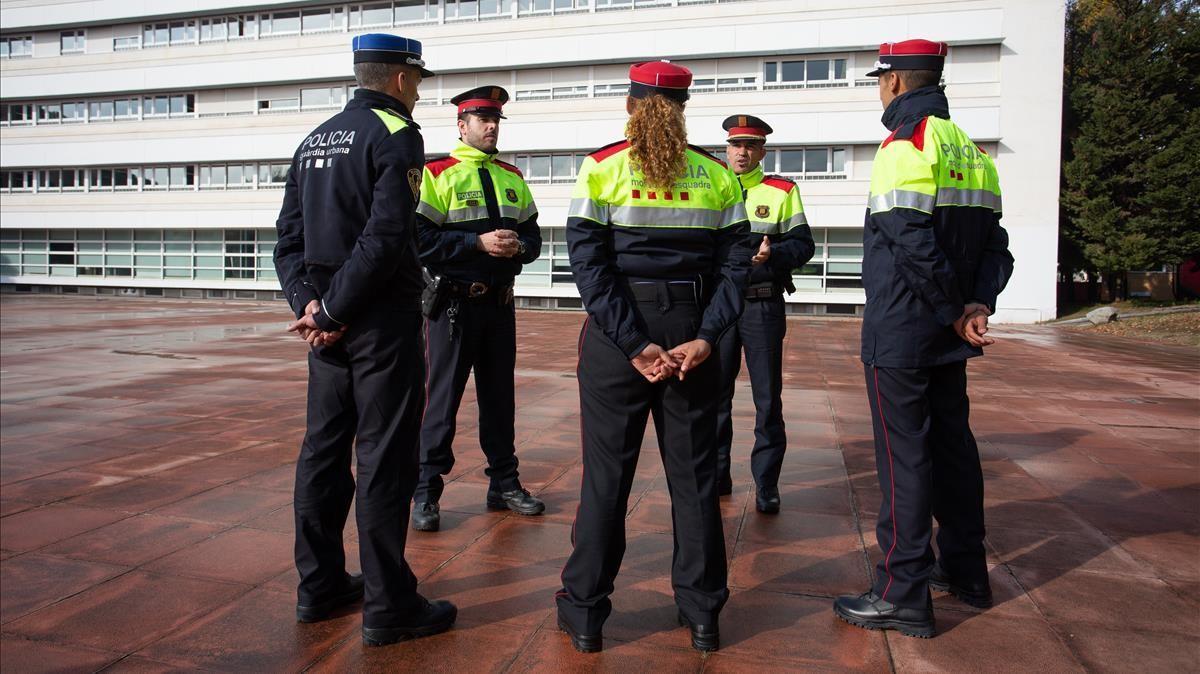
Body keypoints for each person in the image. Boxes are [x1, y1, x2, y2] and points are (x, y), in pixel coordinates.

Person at [555, 61, 755, 654]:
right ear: (683, 110)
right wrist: (707, 336)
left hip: (619, 337)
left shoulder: (602, 167)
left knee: (606, 478)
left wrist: (633, 344)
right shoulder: (717, 175)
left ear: (630, 106)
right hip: (692, 331)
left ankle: (586, 613)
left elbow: (589, 268)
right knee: (694, 481)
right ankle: (702, 614)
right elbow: (735, 268)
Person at [274, 33, 456, 646]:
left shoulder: (313, 139)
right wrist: (334, 310)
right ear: (402, 78)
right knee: (384, 458)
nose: (418, 92)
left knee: (323, 453)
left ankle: (319, 586)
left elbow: (287, 241)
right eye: (418, 81)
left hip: (325, 329)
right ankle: (388, 605)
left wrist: (311, 305)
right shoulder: (397, 133)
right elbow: (385, 237)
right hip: (377, 324)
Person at [831, 39, 1013, 638]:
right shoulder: (973, 153)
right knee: (953, 451)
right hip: (948, 332)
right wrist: (976, 304)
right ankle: (965, 571)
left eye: (880, 80)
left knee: (903, 459)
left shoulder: (904, 145)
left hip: (904, 332)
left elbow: (909, 241)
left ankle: (901, 592)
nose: (879, 90)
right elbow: (996, 246)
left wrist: (951, 311)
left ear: (895, 82)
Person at [410, 85, 544, 532]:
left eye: (495, 120)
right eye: (483, 120)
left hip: (499, 308)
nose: (491, 127)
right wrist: (476, 243)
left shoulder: (512, 176)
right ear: (461, 125)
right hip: (453, 307)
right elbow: (420, 240)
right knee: (441, 401)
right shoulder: (437, 174)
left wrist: (519, 247)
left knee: (500, 400)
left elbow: (534, 238)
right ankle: (425, 491)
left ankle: (503, 483)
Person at [715, 115, 815, 512]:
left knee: (767, 400)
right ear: (726, 149)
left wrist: (774, 254)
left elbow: (803, 245)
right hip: (719, 307)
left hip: (762, 304)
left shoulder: (782, 191)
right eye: (736, 144)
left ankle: (766, 484)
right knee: (714, 397)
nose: (742, 152)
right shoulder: (711, 186)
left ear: (762, 152)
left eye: (750, 145)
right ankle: (717, 475)